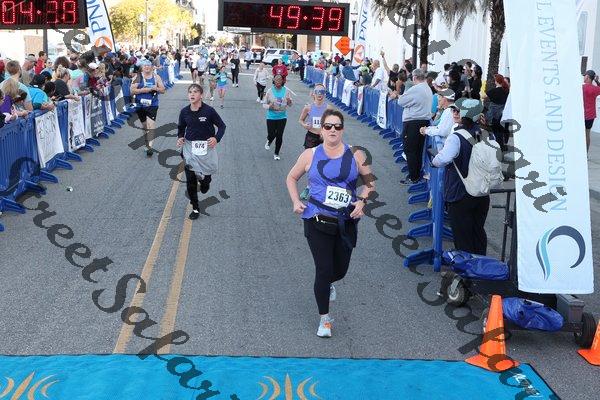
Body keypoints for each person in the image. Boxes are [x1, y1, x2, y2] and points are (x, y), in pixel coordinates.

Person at [286, 109, 374, 338]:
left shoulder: (356, 154)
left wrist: (362, 201)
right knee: (323, 270)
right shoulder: (310, 155)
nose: (332, 130)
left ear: (342, 130)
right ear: (321, 130)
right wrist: (296, 201)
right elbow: (291, 177)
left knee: (340, 270)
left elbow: (370, 183)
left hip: (346, 222)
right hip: (316, 220)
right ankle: (324, 320)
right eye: (328, 126)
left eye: (337, 126)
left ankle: (328, 283)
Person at [432, 99, 490, 255]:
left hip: (460, 192)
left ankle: (467, 268)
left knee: (463, 236)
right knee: (478, 231)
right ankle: (480, 264)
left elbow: (442, 159)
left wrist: (434, 160)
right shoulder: (487, 134)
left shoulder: (456, 137)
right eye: (453, 110)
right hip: (481, 191)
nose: (455, 113)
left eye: (458, 110)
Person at [177, 84, 226, 220]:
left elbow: (222, 126)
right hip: (189, 149)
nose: (192, 94)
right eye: (190, 92)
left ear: (201, 95)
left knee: (206, 176)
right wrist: (180, 137)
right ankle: (195, 208)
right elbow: (181, 128)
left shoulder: (209, 111)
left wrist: (216, 138)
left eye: (195, 92)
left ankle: (206, 181)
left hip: (206, 148)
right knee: (190, 180)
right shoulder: (184, 112)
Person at [397, 68, 433, 184]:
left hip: (413, 121)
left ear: (414, 77)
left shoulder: (416, 89)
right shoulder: (427, 88)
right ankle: (416, 175)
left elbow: (401, 101)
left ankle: (413, 176)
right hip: (423, 121)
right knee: (417, 150)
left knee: (410, 150)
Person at [130, 59, 166, 157]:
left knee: (151, 125)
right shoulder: (138, 77)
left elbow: (163, 90)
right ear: (142, 67)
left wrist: (155, 88)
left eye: (149, 65)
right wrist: (145, 90)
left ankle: (150, 147)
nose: (147, 67)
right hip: (140, 105)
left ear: (152, 67)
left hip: (152, 105)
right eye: (145, 65)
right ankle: (147, 142)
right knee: (145, 126)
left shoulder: (156, 77)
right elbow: (132, 91)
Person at [264, 74, 292, 160]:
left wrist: (289, 101)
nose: (278, 82)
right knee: (271, 134)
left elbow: (290, 104)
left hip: (282, 117)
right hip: (271, 117)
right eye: (276, 80)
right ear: (274, 81)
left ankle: (276, 153)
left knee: (279, 135)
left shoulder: (286, 91)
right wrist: (269, 106)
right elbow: (264, 104)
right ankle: (269, 140)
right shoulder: (269, 91)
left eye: (280, 80)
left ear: (282, 81)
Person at [298, 83, 331, 149]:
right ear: (313, 93)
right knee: (310, 155)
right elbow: (300, 120)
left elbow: (332, 123)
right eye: (317, 91)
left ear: (324, 94)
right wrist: (304, 125)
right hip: (311, 137)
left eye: (322, 92)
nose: (319, 94)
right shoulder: (308, 107)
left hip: (324, 137)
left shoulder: (328, 108)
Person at [484, 73, 510, 152]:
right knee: (499, 130)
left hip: (494, 114)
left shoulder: (494, 91)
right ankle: (501, 145)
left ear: (496, 81)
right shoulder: (506, 90)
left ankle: (499, 146)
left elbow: (484, 96)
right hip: (502, 113)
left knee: (496, 130)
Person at [583, 70, 600, 152]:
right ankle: (586, 154)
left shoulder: (581, 88)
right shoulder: (595, 89)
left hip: (581, 115)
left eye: (584, 76)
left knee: (579, 134)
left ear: (587, 77)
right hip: (590, 116)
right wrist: (597, 81)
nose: (584, 77)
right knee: (587, 134)